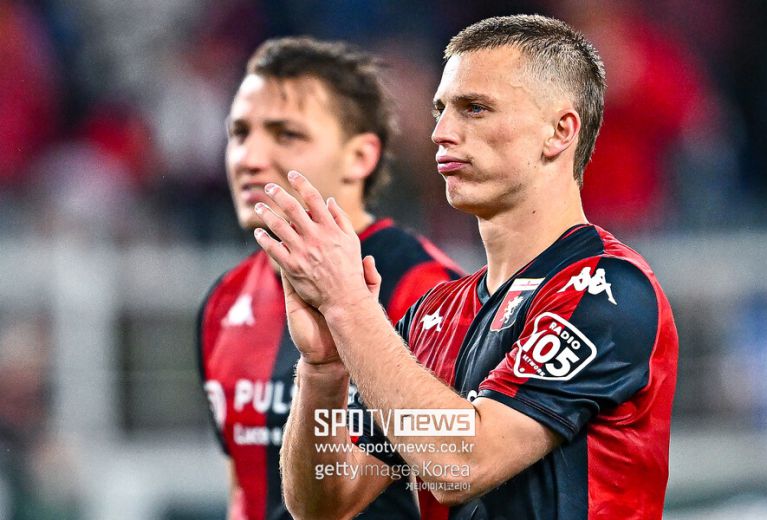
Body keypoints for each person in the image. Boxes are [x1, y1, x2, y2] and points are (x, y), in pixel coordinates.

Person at [254, 15, 679, 520]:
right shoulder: (431, 315)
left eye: (474, 109)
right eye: (440, 110)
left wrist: (349, 306)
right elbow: (324, 503)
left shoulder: (605, 288)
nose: (441, 133)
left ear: (559, 132)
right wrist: (324, 369)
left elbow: (463, 463)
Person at [197, 37, 462, 520]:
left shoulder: (429, 291)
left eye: (286, 135)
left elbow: (455, 476)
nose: (249, 158)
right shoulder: (224, 300)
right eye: (239, 132)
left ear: (360, 157)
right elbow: (245, 491)